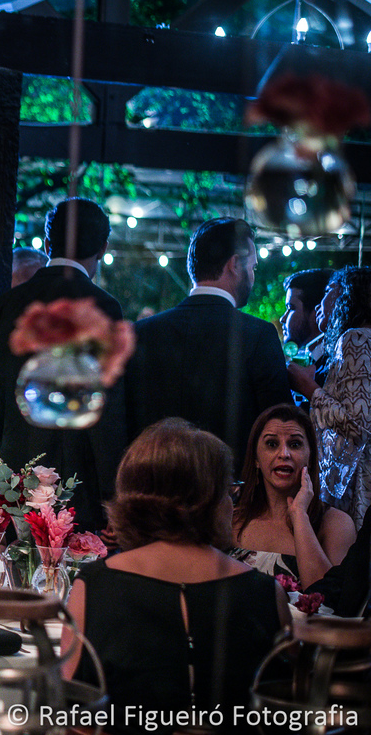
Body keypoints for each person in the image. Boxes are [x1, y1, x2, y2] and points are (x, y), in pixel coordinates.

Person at [61, 418, 289, 729]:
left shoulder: (94, 585)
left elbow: (73, 717)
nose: (230, 505)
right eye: (226, 491)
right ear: (206, 499)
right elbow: (284, 717)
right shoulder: (265, 592)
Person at [0, 197, 126, 532]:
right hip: (78, 483)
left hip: (12, 476)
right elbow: (107, 418)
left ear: (48, 243)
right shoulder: (104, 308)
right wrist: (111, 495)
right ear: (103, 248)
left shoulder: (0, 307)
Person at [126, 217, 292, 469]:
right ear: (235, 264)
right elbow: (279, 425)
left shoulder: (141, 333)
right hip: (230, 494)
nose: (253, 275)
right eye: (253, 267)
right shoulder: (258, 335)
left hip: (152, 488)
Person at [231, 404, 355, 587]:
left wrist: (299, 516)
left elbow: (329, 602)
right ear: (256, 459)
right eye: (272, 444)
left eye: (295, 444)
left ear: (310, 456)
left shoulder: (337, 524)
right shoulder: (231, 519)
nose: (284, 454)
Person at [287, 266, 371, 529]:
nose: (321, 304)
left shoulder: (355, 338)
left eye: (328, 292)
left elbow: (358, 424)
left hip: (354, 488)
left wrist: (308, 388)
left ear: (347, 295)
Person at [281, 268, 332, 356]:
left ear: (318, 311)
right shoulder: (310, 361)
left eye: (291, 308)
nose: (283, 319)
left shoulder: (334, 365)